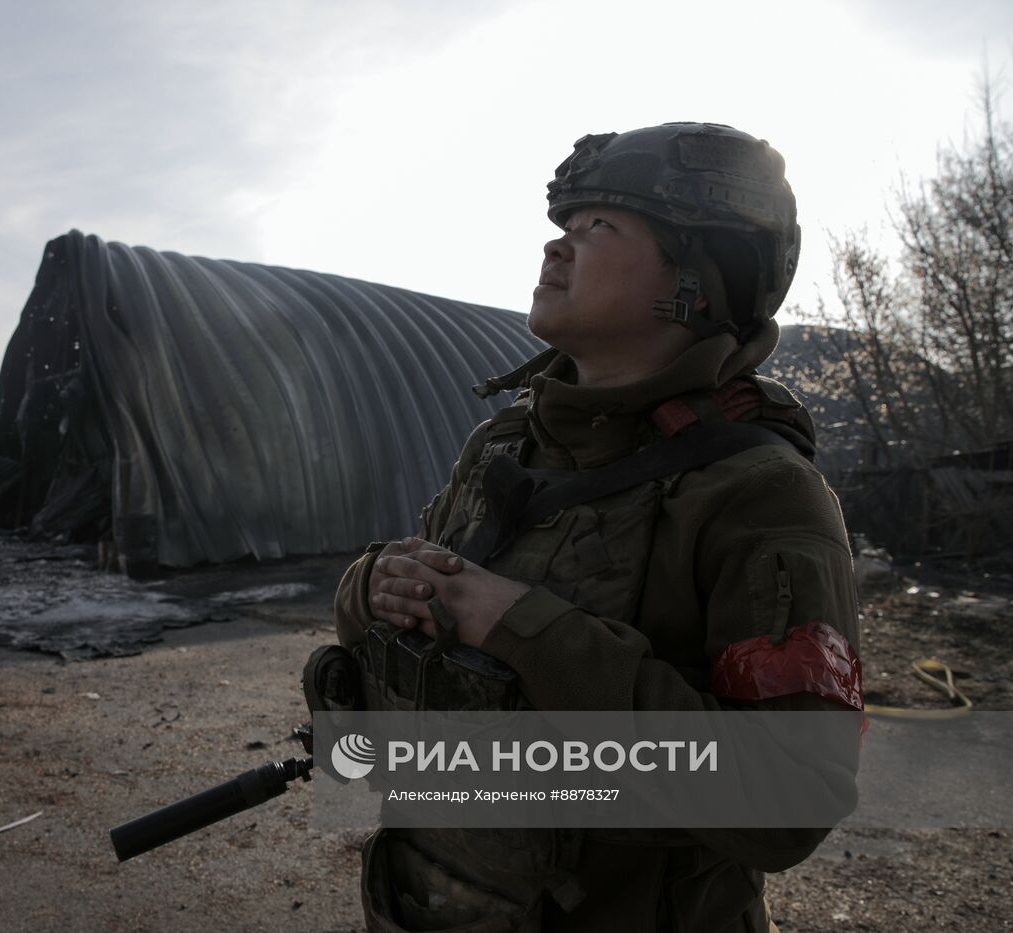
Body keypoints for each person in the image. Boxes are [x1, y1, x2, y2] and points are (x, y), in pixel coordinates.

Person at [332, 123, 863, 932]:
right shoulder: (504, 443)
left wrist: (523, 627)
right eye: (561, 228)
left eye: (598, 228)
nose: (556, 250)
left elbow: (788, 801)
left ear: (693, 280)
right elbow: (416, 627)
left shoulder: (761, 493)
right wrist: (370, 588)